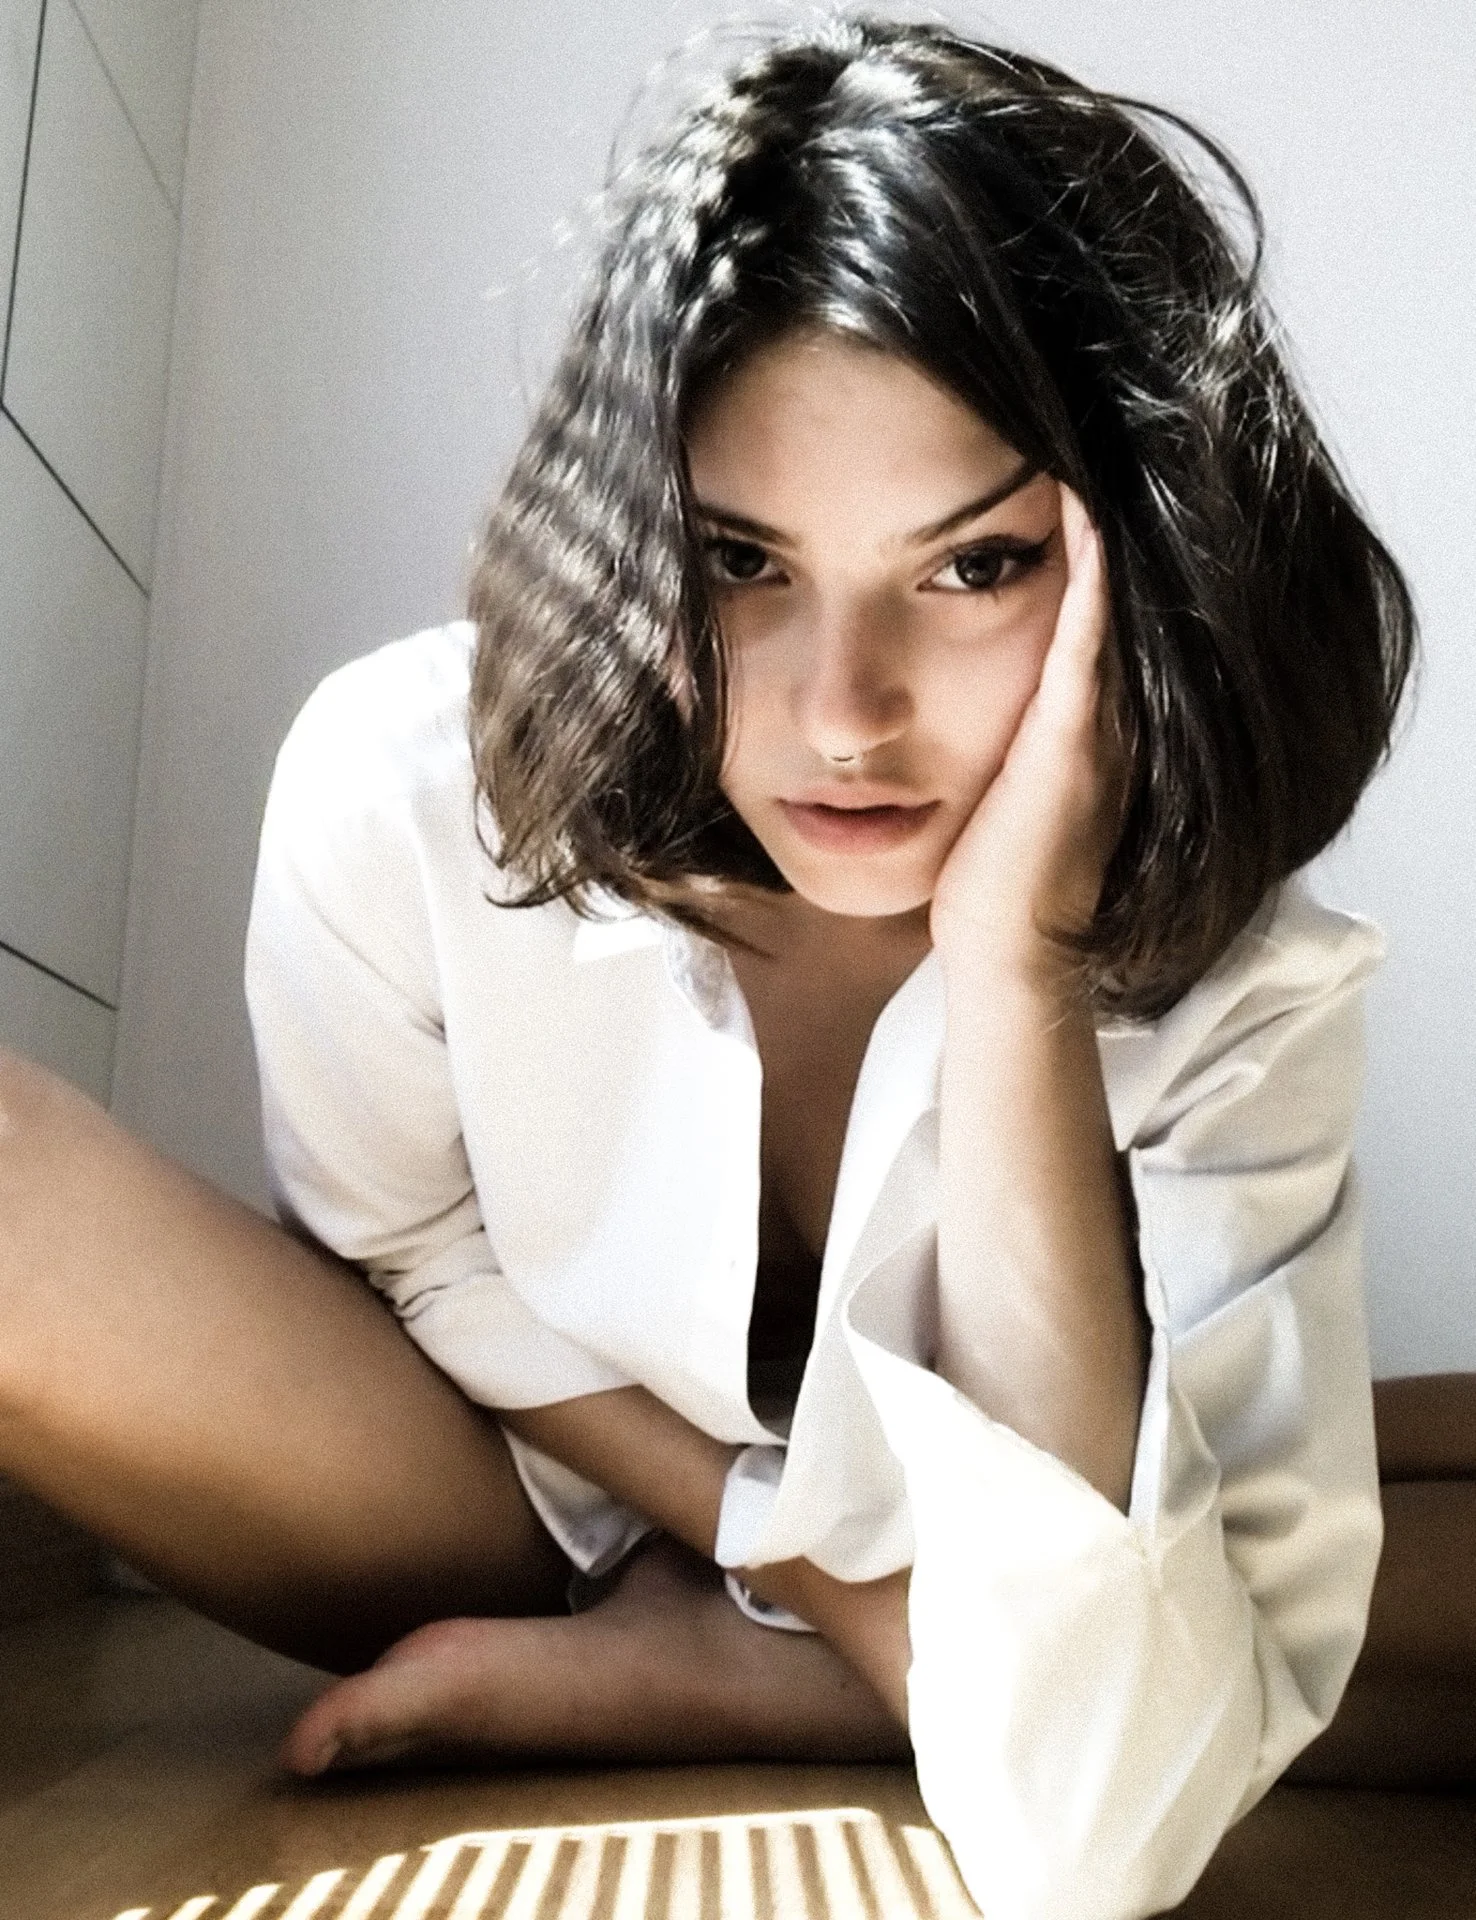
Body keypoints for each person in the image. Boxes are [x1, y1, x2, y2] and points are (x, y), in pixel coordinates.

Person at [0, 16, 1466, 1920]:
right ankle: (855, 1665)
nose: (842, 716)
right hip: (511, 1484)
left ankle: (788, 1694)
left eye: (974, 568)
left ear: (1146, 551)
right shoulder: (409, 788)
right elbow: (420, 1252)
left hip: (1000, 1589)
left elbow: (1103, 1821)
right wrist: (822, 1569)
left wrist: (1015, 975)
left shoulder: (1229, 984)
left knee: (1198, 1668)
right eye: (739, 559)